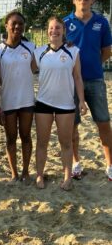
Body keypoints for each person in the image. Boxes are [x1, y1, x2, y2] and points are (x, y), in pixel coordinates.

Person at [31, 17, 87, 190]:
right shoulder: (39, 52)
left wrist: (82, 100)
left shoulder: (73, 51)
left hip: (66, 105)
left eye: (58, 28)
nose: (54, 31)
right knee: (42, 142)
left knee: (66, 143)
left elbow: (77, 77)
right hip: (43, 103)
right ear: (47, 30)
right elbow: (27, 71)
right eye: (51, 28)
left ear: (63, 31)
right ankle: (39, 176)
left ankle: (67, 178)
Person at [63, 0, 112, 181]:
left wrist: (93, 64)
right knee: (72, 125)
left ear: (92, 0)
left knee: (104, 123)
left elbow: (107, 51)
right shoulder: (65, 23)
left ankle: (110, 165)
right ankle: (76, 163)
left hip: (95, 80)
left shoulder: (102, 22)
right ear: (74, 0)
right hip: (71, 82)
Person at [0, 11, 35, 182]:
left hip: (27, 101)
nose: (17, 26)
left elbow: (52, 50)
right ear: (6, 26)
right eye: (14, 23)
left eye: (21, 24)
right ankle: (14, 173)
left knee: (26, 136)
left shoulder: (31, 47)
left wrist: (67, 42)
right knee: (10, 138)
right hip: (8, 102)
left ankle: (25, 172)